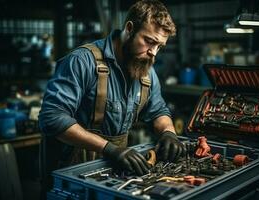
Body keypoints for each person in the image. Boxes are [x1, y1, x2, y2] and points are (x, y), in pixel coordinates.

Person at [39, 0, 185, 178]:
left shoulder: (147, 71)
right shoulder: (82, 61)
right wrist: (109, 149)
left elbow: (157, 110)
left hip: (112, 170)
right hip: (69, 171)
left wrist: (168, 132)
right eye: (148, 41)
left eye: (159, 46)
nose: (153, 52)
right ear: (129, 29)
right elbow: (52, 118)